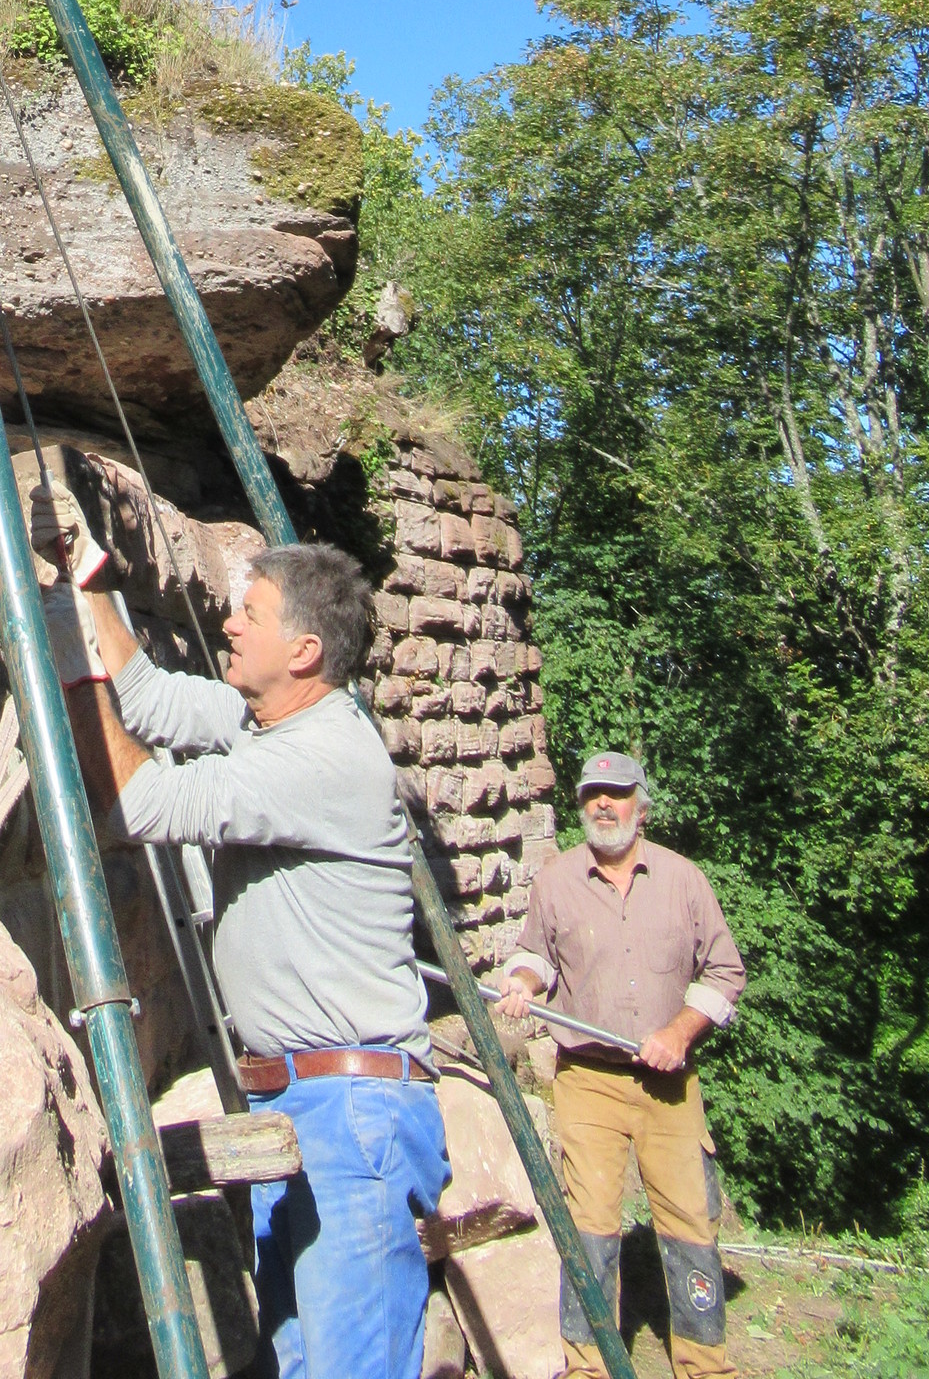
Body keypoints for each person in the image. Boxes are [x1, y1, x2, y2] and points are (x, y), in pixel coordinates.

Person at [48, 536, 448, 1379]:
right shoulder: (270, 720)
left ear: (303, 651)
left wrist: (70, 672)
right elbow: (149, 698)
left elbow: (143, 802)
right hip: (305, 1101)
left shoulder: (323, 759)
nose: (228, 625)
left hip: (351, 1112)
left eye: (249, 614)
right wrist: (89, 580)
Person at [497, 753, 746, 1379]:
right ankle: (589, 1367)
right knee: (589, 1227)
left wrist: (679, 1033)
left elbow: (725, 974)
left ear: (642, 806)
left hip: (669, 1085)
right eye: (593, 795)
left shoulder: (684, 879)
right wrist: (523, 981)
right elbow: (536, 955)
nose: (604, 804)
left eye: (616, 793)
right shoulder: (556, 881)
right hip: (587, 1081)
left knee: (690, 1222)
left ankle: (704, 1366)